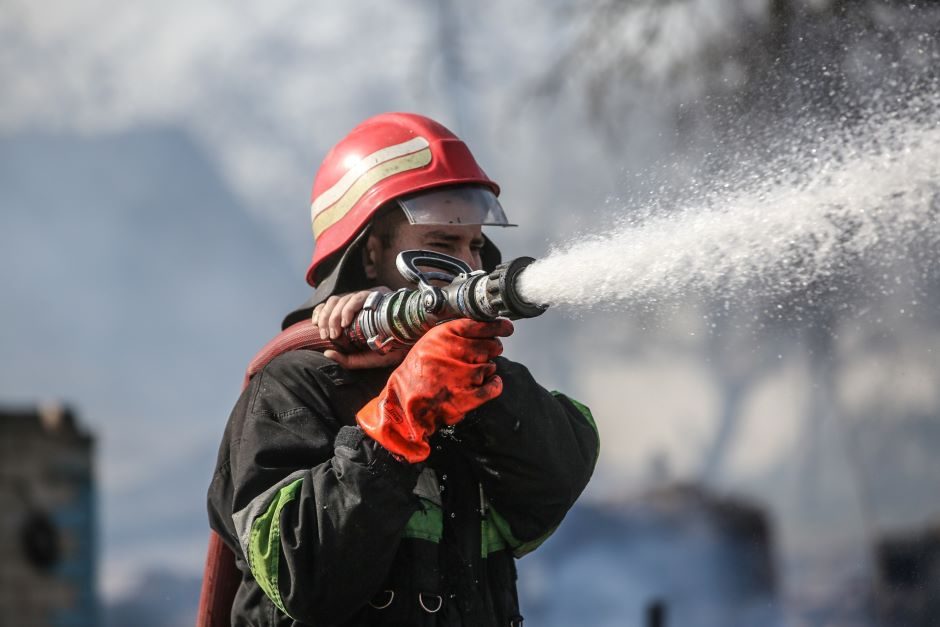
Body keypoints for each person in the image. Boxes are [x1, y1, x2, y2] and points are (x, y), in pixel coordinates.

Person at [206, 112, 600, 626]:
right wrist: (396, 424)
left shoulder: (469, 385)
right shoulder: (292, 386)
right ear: (371, 256)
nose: (469, 267)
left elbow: (551, 487)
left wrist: (485, 385)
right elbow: (303, 577)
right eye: (441, 246)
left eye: (475, 246)